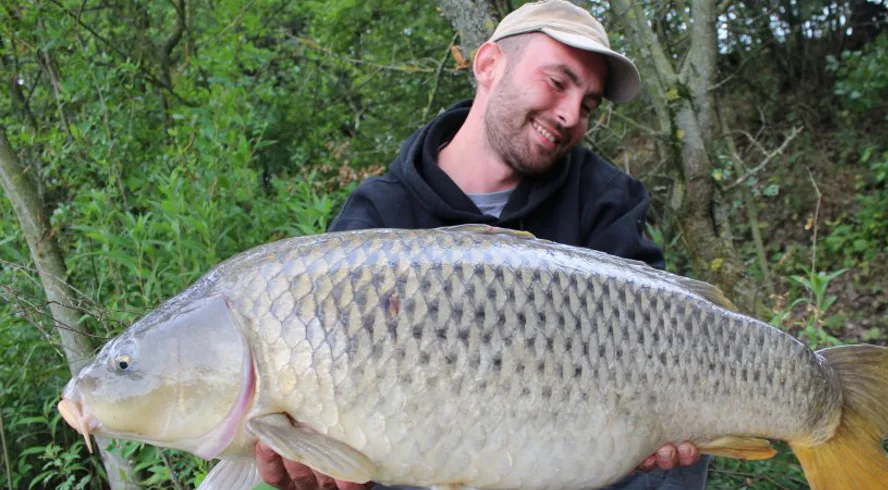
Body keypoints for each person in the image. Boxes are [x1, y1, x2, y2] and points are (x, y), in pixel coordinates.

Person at [256, 1, 711, 489]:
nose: (570, 114)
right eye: (558, 83)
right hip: (425, 461)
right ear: (488, 64)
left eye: (589, 104)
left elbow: (669, 333)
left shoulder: (605, 198)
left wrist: (658, 427)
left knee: (682, 453)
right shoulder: (379, 216)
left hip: (574, 459)